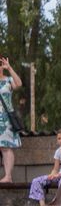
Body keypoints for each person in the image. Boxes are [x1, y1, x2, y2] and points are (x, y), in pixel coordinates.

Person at [29, 129, 61, 204]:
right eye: (59, 139)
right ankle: (42, 204)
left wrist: (60, 175)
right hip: (58, 175)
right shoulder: (58, 151)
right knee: (36, 181)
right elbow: (55, 168)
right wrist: (52, 175)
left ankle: (58, 202)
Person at [0, 55, 23, 183]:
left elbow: (19, 84)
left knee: (6, 146)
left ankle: (8, 176)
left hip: (6, 118)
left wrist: (9, 68)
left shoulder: (8, 80)